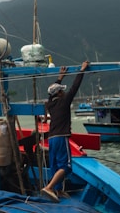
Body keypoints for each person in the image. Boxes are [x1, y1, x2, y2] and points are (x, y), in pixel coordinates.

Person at [41, 60, 90, 202]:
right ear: (60, 93)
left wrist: (60, 77)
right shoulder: (64, 101)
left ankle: (57, 190)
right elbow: (75, 86)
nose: (64, 92)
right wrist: (82, 70)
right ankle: (49, 187)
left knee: (55, 165)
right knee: (66, 166)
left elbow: (51, 93)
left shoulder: (50, 104)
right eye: (62, 90)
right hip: (61, 137)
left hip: (51, 139)